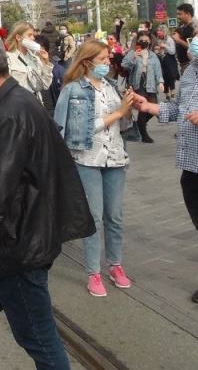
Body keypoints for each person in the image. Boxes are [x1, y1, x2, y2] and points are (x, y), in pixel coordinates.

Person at [0, 35, 94, 369]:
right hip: (4, 244)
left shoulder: (11, 114)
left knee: (38, 338)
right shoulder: (17, 101)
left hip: (16, 247)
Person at [133, 14, 198, 304]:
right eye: (196, 36)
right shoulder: (190, 71)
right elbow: (177, 108)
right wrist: (150, 106)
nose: (196, 42)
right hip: (192, 162)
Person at [54, 41, 135, 297]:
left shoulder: (111, 86)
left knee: (115, 217)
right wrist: (119, 112)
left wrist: (128, 106)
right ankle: (93, 272)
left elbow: (123, 123)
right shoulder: (73, 89)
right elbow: (70, 129)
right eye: (102, 59)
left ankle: (115, 265)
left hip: (115, 157)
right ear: (87, 61)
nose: (107, 63)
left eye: (108, 58)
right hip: (87, 158)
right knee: (94, 218)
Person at [121, 33, 164, 143]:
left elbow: (157, 69)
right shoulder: (132, 53)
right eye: (142, 40)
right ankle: (144, 134)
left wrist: (160, 82)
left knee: (153, 108)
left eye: (146, 40)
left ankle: (140, 124)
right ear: (138, 41)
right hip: (137, 82)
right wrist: (134, 56)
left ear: (150, 41)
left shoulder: (152, 55)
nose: (144, 42)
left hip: (150, 83)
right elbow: (125, 65)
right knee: (143, 108)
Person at [5, 22, 53, 103]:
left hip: (35, 105)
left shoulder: (35, 58)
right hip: (18, 106)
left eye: (33, 35)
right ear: (18, 37)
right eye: (29, 35)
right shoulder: (8, 58)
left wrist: (46, 62)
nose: (33, 38)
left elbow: (46, 85)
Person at [155, 25, 179, 101]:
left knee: (171, 76)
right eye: (158, 31)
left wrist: (165, 46)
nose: (159, 32)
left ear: (165, 32)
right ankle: (167, 94)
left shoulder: (169, 40)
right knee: (163, 76)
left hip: (169, 60)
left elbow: (172, 51)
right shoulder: (157, 40)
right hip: (161, 59)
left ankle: (173, 93)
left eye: (161, 31)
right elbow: (155, 49)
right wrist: (157, 50)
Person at [173, 3, 195, 74]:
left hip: (190, 64)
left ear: (187, 14)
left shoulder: (193, 28)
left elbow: (192, 47)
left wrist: (178, 40)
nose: (178, 16)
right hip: (184, 65)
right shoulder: (182, 27)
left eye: (180, 14)